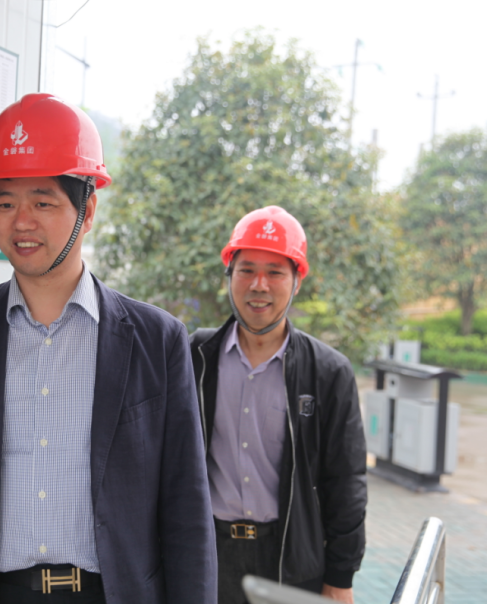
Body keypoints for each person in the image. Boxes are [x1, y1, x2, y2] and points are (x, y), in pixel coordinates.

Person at [0, 93, 217, 604]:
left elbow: (186, 511)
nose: (21, 221)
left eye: (43, 202)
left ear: (88, 211)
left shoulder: (157, 340)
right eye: (5, 203)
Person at [189, 206, 367, 604]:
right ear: (229, 275)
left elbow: (346, 481)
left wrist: (340, 577)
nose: (259, 285)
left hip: (290, 559)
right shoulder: (195, 357)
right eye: (246, 270)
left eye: (275, 272)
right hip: (209, 554)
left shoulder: (328, 372)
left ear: (297, 281)